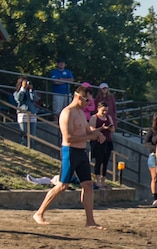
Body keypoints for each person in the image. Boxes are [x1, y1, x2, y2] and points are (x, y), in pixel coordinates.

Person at [33, 85, 106, 228]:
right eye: (87, 101)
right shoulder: (67, 113)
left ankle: (90, 221)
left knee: (88, 185)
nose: (88, 105)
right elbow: (69, 137)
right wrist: (91, 136)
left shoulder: (80, 113)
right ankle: (39, 213)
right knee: (62, 185)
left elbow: (86, 129)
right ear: (79, 97)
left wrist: (98, 132)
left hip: (81, 152)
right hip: (70, 151)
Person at [88, 101, 115, 189]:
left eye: (106, 110)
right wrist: (101, 128)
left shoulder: (108, 117)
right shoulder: (94, 117)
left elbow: (113, 129)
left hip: (107, 141)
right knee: (98, 161)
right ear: (98, 109)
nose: (104, 112)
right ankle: (97, 180)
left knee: (105, 161)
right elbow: (91, 129)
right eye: (103, 110)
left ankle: (103, 180)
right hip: (98, 141)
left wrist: (110, 128)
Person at [13, 77, 40, 148]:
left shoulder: (30, 92)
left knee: (32, 134)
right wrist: (23, 89)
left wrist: (31, 89)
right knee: (24, 133)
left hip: (32, 113)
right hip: (23, 113)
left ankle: (32, 148)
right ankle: (24, 147)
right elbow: (19, 99)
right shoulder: (16, 93)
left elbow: (35, 99)